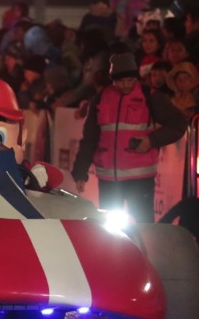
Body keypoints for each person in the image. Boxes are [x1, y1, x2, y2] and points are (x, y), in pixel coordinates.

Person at [72, 53, 188, 223]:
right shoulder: (100, 99)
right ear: (113, 80)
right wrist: (80, 171)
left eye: (130, 80)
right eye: (120, 81)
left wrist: (152, 140)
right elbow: (89, 138)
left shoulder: (150, 96)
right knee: (109, 229)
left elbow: (178, 123)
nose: (126, 85)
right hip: (109, 180)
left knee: (143, 228)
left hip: (140, 179)